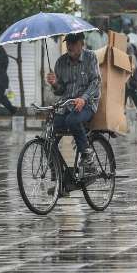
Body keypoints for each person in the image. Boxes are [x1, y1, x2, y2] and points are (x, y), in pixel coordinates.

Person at [46, 32, 101, 171]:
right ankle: (58, 173)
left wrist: (84, 98)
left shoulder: (90, 57)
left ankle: (87, 154)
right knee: (50, 132)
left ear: (81, 43)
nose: (69, 46)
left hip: (87, 104)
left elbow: (96, 81)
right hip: (67, 106)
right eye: (67, 43)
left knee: (72, 120)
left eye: (73, 43)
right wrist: (54, 84)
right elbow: (60, 90)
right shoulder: (60, 62)